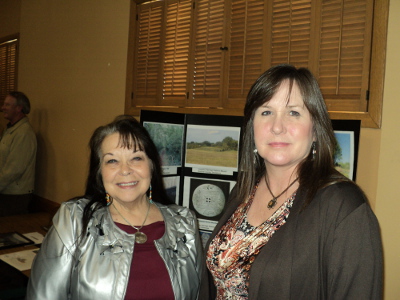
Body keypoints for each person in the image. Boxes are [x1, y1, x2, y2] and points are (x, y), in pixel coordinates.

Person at [200, 64, 383, 299]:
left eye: (293, 113)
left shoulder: (344, 207)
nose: (277, 127)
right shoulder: (243, 190)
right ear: (251, 127)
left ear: (315, 129)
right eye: (266, 112)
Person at [27, 116, 203, 300]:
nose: (125, 170)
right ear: (99, 172)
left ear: (151, 166)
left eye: (136, 158)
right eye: (112, 161)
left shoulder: (184, 222)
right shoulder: (74, 220)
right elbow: (42, 296)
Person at [0, 91, 37, 216]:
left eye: (7, 105)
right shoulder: (10, 129)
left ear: (19, 108)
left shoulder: (23, 133)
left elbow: (14, 169)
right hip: (6, 191)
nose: (3, 108)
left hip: (14, 196)